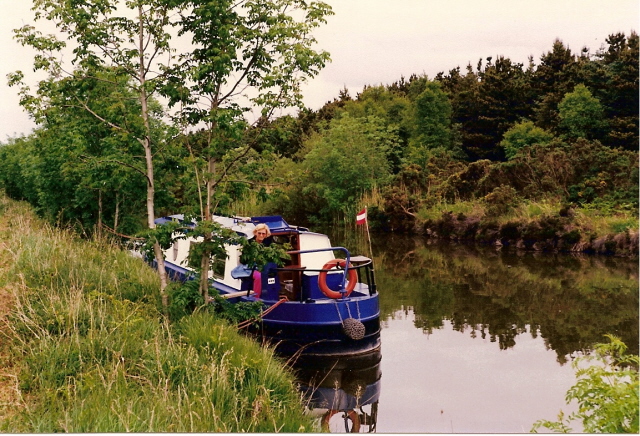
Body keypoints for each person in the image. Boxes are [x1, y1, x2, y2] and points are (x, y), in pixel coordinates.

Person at [251, 224, 272, 297]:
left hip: (263, 266)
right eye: (259, 233)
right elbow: (243, 260)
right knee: (259, 276)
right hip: (250, 266)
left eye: (263, 233)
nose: (261, 235)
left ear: (266, 234)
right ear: (255, 233)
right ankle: (256, 298)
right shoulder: (249, 243)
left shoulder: (267, 244)